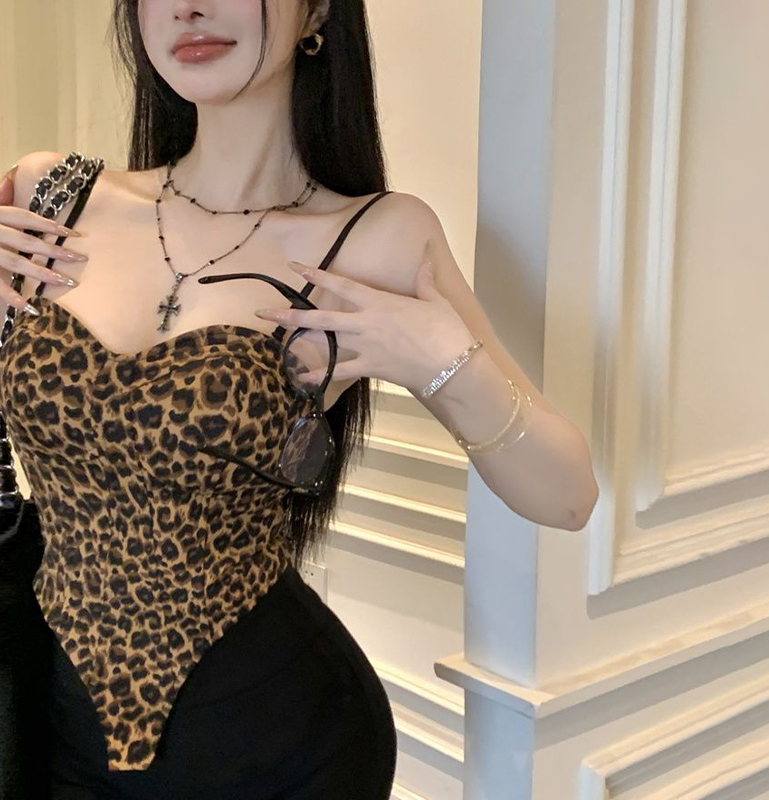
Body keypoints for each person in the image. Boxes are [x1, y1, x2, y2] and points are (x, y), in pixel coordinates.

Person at [0, 0, 599, 797]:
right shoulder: (52, 196)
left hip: (278, 740)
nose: (189, 7)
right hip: (50, 718)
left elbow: (568, 498)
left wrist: (443, 361)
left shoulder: (377, 238)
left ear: (317, 9)